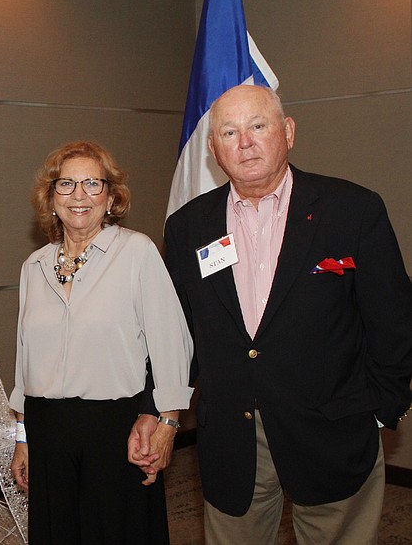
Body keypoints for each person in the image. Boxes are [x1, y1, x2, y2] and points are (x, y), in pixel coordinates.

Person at [164, 84, 412, 544]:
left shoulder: (353, 210)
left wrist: (380, 410)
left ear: (288, 132)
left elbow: (394, 320)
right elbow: (179, 334)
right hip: (232, 440)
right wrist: (160, 412)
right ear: (214, 149)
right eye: (230, 132)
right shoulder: (187, 228)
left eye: (258, 126)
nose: (245, 142)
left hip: (334, 430)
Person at [9, 140, 194, 544]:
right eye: (66, 184)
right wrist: (23, 437)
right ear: (51, 197)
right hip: (47, 430)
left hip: (116, 432)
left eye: (93, 184)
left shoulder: (137, 252)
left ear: (111, 198)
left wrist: (168, 423)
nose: (79, 195)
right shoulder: (33, 266)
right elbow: (25, 361)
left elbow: (172, 342)